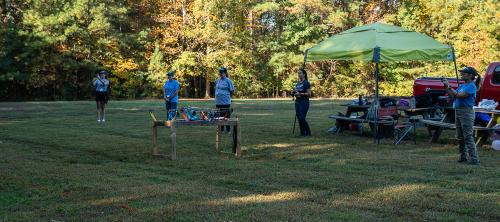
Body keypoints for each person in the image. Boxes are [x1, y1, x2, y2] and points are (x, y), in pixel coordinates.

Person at [443, 66, 481, 165]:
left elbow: (459, 95)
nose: (461, 74)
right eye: (461, 73)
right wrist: (446, 87)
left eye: (463, 73)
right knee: (460, 136)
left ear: (470, 75)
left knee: (468, 135)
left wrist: (449, 86)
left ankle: (474, 159)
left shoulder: (471, 86)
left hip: (466, 112)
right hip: (458, 111)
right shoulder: (462, 85)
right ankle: (463, 156)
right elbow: (453, 95)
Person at [215, 67, 235, 133]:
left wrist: (229, 98)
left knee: (226, 116)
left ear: (225, 73)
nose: (221, 74)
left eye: (222, 73)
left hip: (225, 101)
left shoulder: (228, 81)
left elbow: (232, 91)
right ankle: (221, 129)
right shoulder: (217, 80)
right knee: (219, 116)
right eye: (220, 73)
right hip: (218, 101)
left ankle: (228, 130)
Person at [293, 68, 312, 136]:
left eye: (300, 73)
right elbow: (296, 92)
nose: (299, 74)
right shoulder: (297, 84)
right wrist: (293, 92)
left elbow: (309, 94)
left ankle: (308, 132)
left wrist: (300, 94)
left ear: (304, 74)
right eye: (298, 73)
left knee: (302, 117)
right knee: (299, 117)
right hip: (297, 102)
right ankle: (302, 133)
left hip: (304, 102)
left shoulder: (306, 83)